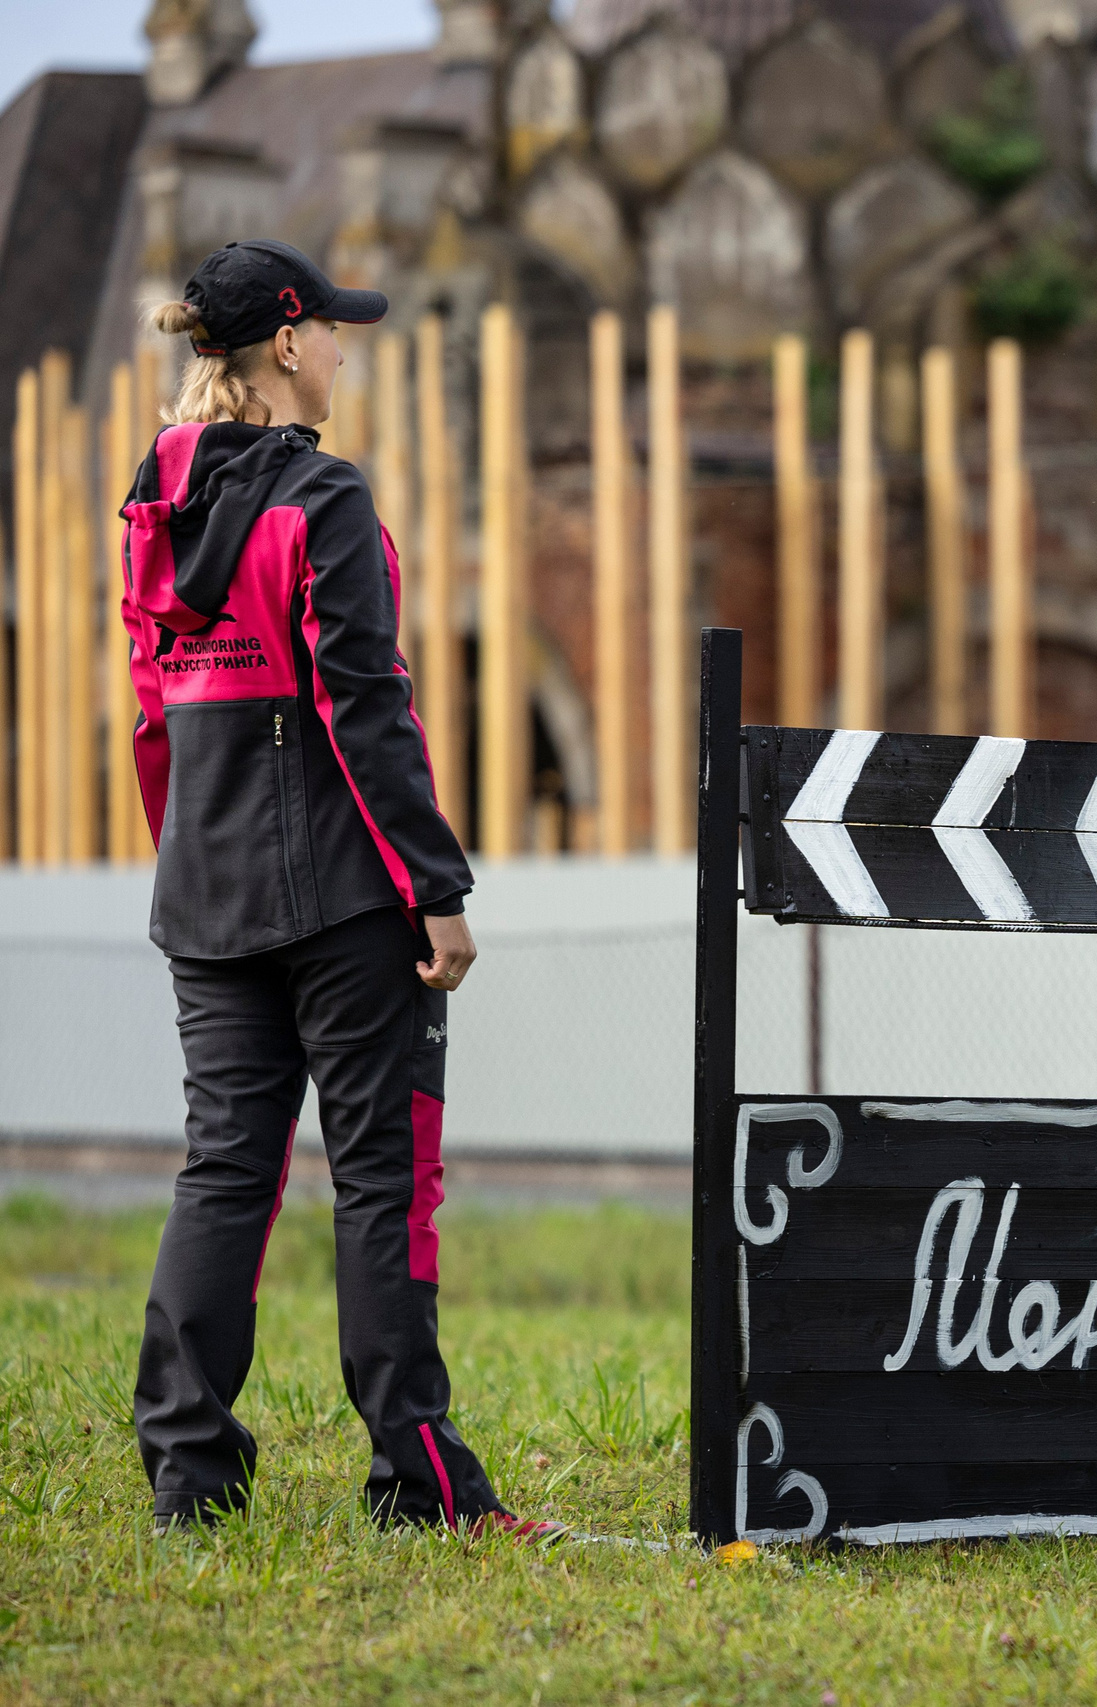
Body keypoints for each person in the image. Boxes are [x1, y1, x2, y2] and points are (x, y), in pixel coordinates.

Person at [119, 240, 556, 1539]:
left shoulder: (151, 504)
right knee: (381, 1184)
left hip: (206, 891)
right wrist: (437, 888)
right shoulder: (326, 498)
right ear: (287, 342)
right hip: (348, 903)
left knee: (223, 1174)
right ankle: (420, 1481)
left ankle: (189, 1477)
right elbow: (366, 707)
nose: (345, 356)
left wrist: (189, 855)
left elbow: (153, 712)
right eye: (334, 333)